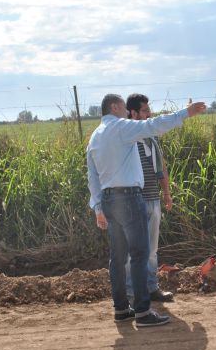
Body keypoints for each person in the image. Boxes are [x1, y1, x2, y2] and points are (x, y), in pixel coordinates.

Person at [87, 94, 206, 327]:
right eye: (122, 107)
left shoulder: (95, 136)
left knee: (118, 258)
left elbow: (92, 177)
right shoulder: (120, 127)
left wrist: (98, 207)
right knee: (141, 254)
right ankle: (143, 312)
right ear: (115, 107)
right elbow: (153, 125)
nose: (125, 111)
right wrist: (185, 113)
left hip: (109, 200)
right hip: (130, 197)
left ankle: (121, 309)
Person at [124, 93, 174, 303]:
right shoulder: (126, 136)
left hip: (153, 198)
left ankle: (152, 288)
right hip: (133, 200)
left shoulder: (151, 137)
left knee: (152, 248)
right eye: (144, 110)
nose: (149, 114)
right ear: (133, 113)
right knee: (133, 250)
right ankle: (130, 293)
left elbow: (160, 167)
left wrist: (166, 193)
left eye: (148, 109)